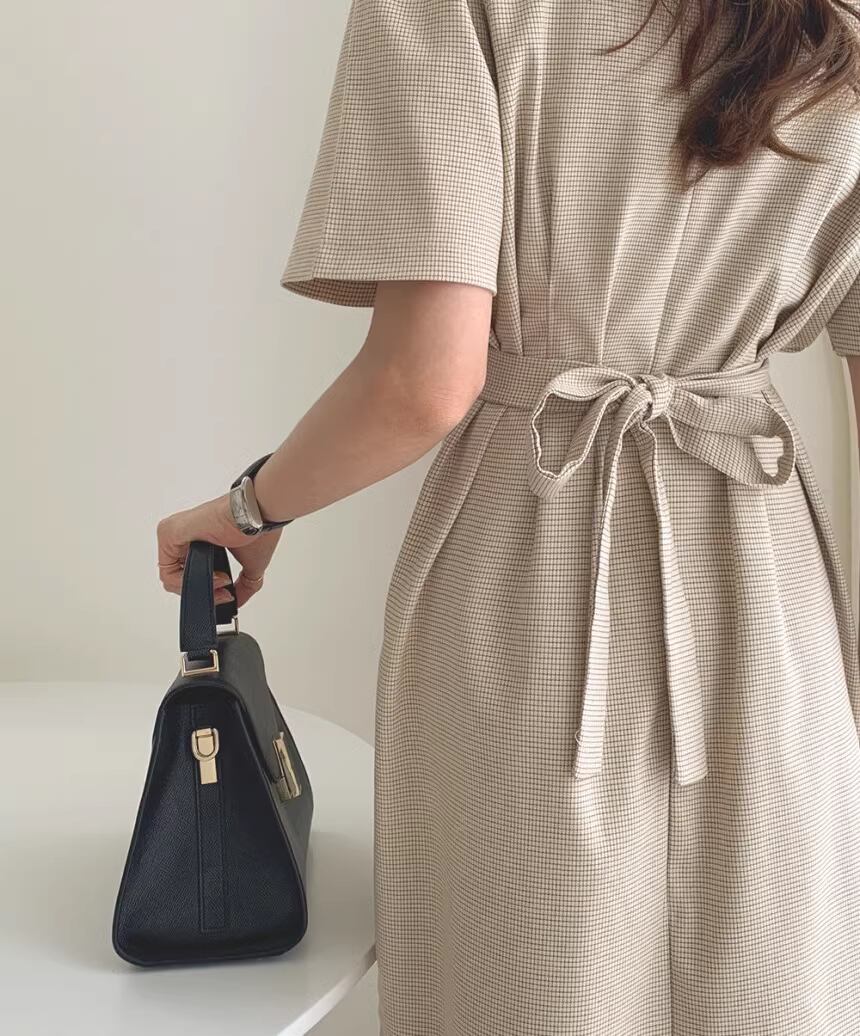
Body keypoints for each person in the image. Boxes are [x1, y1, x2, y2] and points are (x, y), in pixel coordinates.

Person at [156, 0, 860, 1032]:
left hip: (529, 567)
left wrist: (249, 509)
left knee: (529, 974)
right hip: (764, 599)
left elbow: (421, 383)